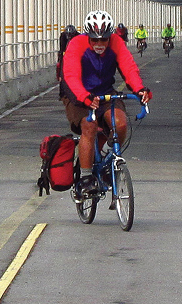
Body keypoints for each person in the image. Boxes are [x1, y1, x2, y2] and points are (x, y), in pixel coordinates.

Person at [61, 10, 152, 193]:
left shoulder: (117, 43)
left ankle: (105, 158)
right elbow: (70, 75)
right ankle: (86, 178)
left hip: (105, 92)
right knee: (90, 126)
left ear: (110, 36)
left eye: (104, 39)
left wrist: (139, 89)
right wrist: (83, 96)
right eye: (94, 39)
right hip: (79, 94)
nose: (99, 44)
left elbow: (128, 68)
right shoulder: (76, 44)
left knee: (120, 124)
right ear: (87, 35)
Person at [56, 24, 79, 99]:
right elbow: (62, 48)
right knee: (62, 72)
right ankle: (62, 93)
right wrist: (60, 59)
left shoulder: (78, 36)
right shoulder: (63, 36)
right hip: (65, 53)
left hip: (75, 54)